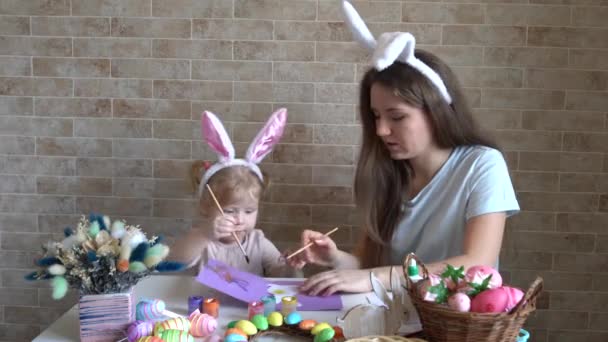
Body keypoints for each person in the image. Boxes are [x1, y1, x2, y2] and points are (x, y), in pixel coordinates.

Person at [286, 1, 519, 296]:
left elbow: (477, 263)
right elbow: (369, 267)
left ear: (436, 112)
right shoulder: (388, 173)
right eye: (376, 116)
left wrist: (372, 278)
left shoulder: (483, 165)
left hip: (456, 324)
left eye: (396, 117)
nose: (382, 130)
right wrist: (335, 259)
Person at [170, 108, 298, 277]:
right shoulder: (202, 240)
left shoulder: (258, 242)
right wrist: (205, 234)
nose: (239, 219)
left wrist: (291, 266)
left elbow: (281, 278)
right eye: (230, 211)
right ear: (206, 207)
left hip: (249, 305)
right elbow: (172, 261)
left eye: (249, 211)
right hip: (203, 303)